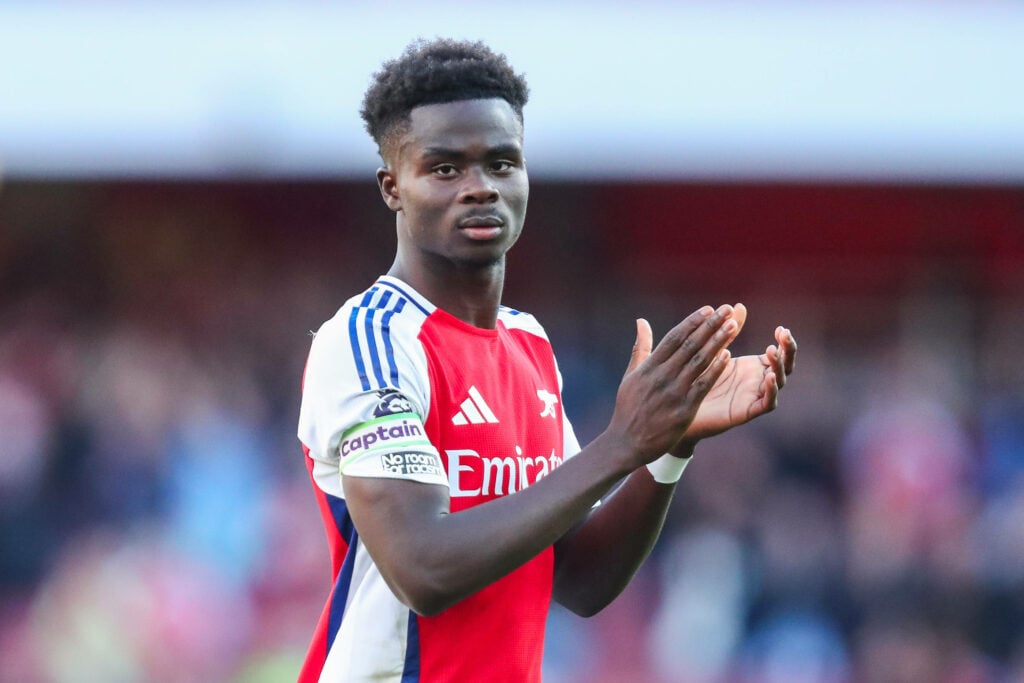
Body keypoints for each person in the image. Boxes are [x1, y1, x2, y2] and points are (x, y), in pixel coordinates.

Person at [296, 38, 797, 683]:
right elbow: (424, 570)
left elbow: (580, 580)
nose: (480, 188)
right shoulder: (368, 342)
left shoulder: (527, 344)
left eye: (502, 163)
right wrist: (622, 443)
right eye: (445, 169)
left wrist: (667, 448)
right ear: (393, 187)